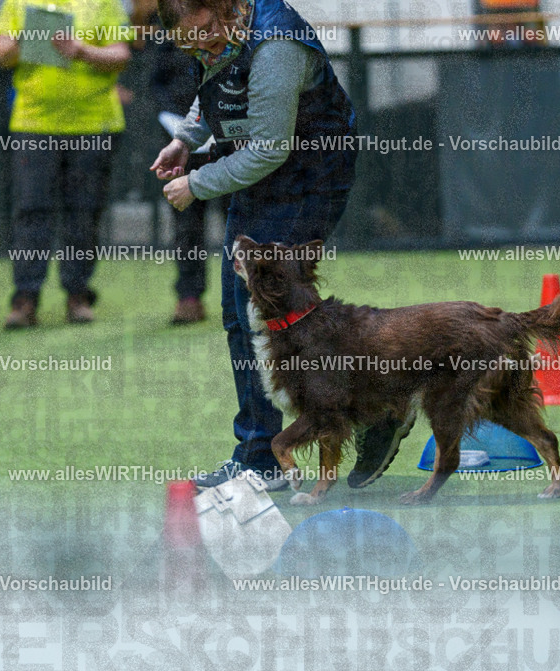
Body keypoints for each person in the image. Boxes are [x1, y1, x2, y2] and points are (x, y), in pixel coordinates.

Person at [151, 0, 413, 491]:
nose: (202, 42)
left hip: (308, 181)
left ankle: (327, 429)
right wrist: (187, 138)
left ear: (226, 6)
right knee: (240, 314)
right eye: (187, 40)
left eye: (207, 29)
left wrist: (198, 183)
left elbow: (271, 147)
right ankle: (268, 451)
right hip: (255, 179)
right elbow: (218, 87)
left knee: (286, 322)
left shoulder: (276, 44)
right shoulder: (216, 32)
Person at [0, 0, 131, 328]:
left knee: (84, 212)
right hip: (33, 123)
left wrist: (82, 51)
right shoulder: (19, 3)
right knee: (31, 210)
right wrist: (27, 39)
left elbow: (121, 56)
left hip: (94, 124)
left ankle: (78, 295)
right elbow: (1, 54)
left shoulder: (105, 3)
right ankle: (25, 299)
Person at [148, 10, 209, 324]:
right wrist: (171, 119)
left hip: (228, 137)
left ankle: (252, 296)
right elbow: (155, 80)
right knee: (186, 223)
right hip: (178, 133)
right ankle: (189, 296)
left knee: (242, 220)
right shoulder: (167, 21)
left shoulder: (232, 17)